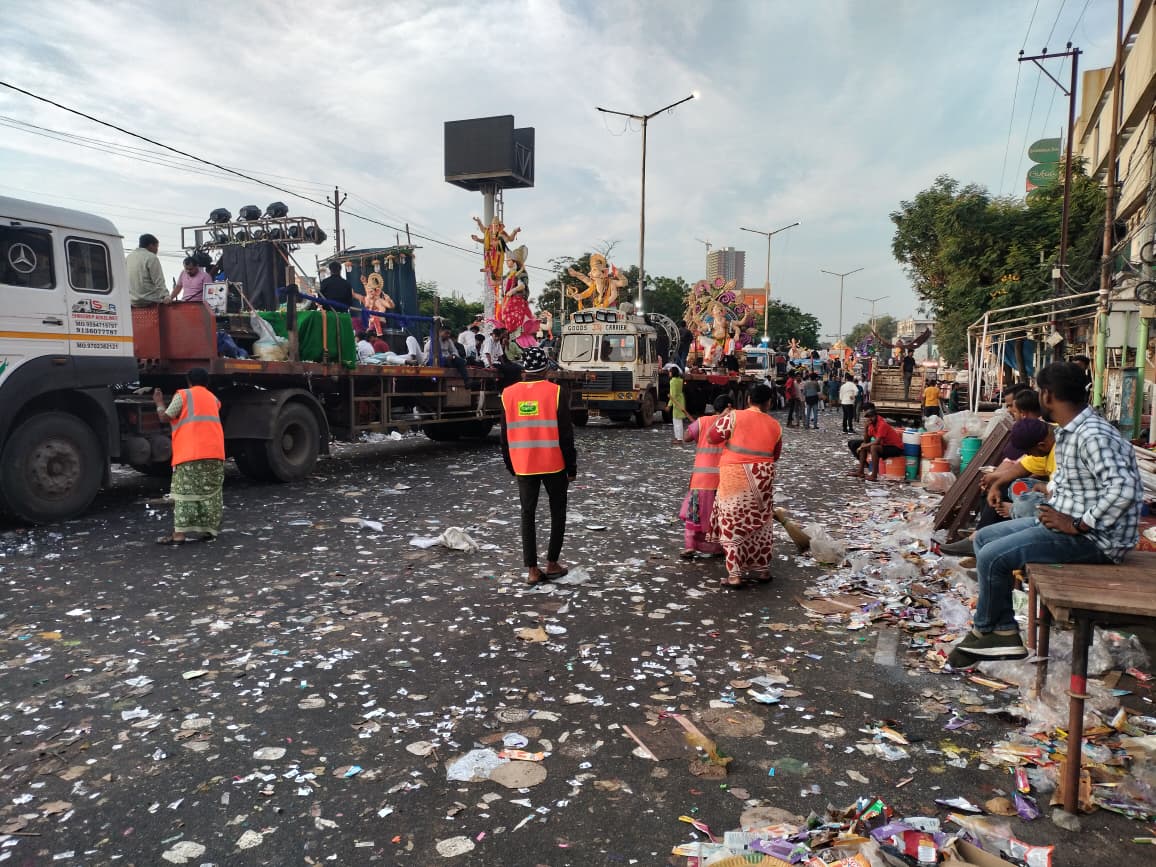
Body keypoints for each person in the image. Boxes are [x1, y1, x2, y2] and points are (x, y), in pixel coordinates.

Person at [947, 362, 1143, 666]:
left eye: (1039, 391)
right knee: (984, 538)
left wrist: (1078, 524)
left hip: (1097, 539)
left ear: (1048, 395)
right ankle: (1002, 632)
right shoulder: (1070, 430)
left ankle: (989, 631)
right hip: (1066, 523)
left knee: (993, 557)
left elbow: (1125, 490)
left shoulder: (1092, 434)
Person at [500, 346, 577, 585]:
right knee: (558, 512)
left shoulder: (508, 394)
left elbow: (504, 436)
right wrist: (571, 467)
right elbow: (566, 434)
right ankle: (552, 563)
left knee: (527, 514)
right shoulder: (556, 392)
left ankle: (532, 570)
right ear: (545, 368)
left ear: (524, 368)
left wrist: (510, 464)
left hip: (524, 464)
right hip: (553, 463)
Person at [708, 383, 783, 587]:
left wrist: (724, 417)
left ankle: (735, 575)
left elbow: (712, 437)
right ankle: (763, 571)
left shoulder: (733, 416)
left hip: (735, 475)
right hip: (763, 475)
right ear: (768, 403)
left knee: (732, 523)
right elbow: (775, 455)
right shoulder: (775, 425)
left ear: (749, 399)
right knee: (761, 522)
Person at [152, 368, 225, 544]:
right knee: (210, 493)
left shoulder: (183, 395)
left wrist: (159, 402)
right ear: (206, 383)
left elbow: (165, 417)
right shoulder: (214, 399)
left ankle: (179, 535)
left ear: (189, 381)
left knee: (184, 493)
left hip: (190, 453)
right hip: (215, 453)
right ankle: (209, 531)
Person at [678, 394, 733, 560]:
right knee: (720, 516)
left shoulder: (702, 422)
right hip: (723, 479)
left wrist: (697, 430)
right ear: (729, 406)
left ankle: (690, 546)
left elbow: (686, 437)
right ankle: (719, 547)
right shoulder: (730, 423)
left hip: (700, 478)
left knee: (695, 514)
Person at [849, 403, 904, 480]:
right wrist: (865, 428)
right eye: (868, 417)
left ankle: (874, 475)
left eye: (872, 417)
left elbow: (877, 442)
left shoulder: (882, 424)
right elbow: (866, 440)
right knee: (864, 445)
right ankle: (860, 471)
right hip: (884, 445)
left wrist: (864, 445)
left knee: (873, 447)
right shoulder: (871, 424)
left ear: (876, 416)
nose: (870, 419)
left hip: (896, 448)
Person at [127, 234, 168, 306]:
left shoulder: (129, 257)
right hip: (150, 300)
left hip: (132, 301)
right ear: (151, 245)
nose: (157, 250)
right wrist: (166, 296)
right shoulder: (151, 257)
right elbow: (158, 280)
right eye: (156, 247)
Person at [667, 367, 689, 443]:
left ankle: (679, 438)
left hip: (676, 402)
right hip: (680, 400)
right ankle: (678, 438)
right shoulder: (680, 380)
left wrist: (669, 405)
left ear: (672, 373)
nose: (669, 373)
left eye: (670, 372)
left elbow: (672, 395)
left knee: (676, 421)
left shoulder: (673, 381)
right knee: (678, 420)